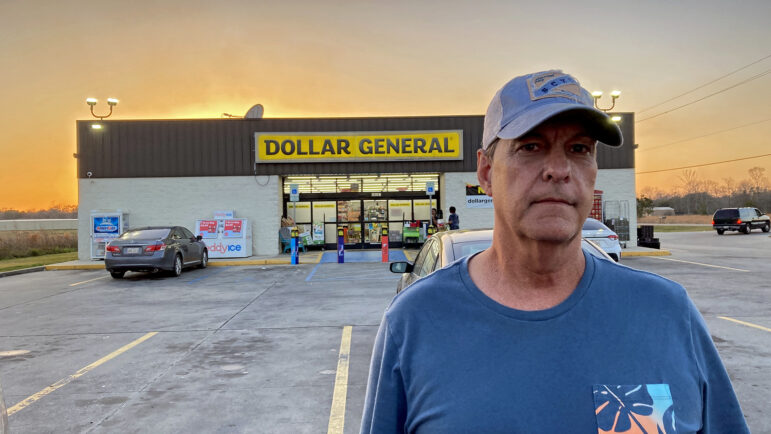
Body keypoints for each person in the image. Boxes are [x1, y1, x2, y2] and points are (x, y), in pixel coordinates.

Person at [361, 70, 748, 433]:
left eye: (579, 149)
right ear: (486, 172)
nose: (559, 169)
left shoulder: (666, 313)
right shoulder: (415, 321)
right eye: (530, 147)